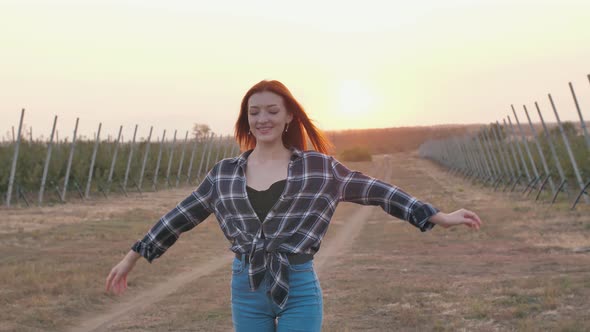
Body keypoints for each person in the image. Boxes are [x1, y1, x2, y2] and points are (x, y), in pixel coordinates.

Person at [105, 80, 483, 332]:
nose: (262, 118)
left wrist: (435, 215)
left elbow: (377, 191)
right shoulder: (223, 175)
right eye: (254, 112)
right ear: (246, 120)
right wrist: (132, 257)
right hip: (247, 286)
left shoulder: (317, 169)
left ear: (288, 116)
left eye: (271, 110)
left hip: (299, 285)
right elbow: (179, 217)